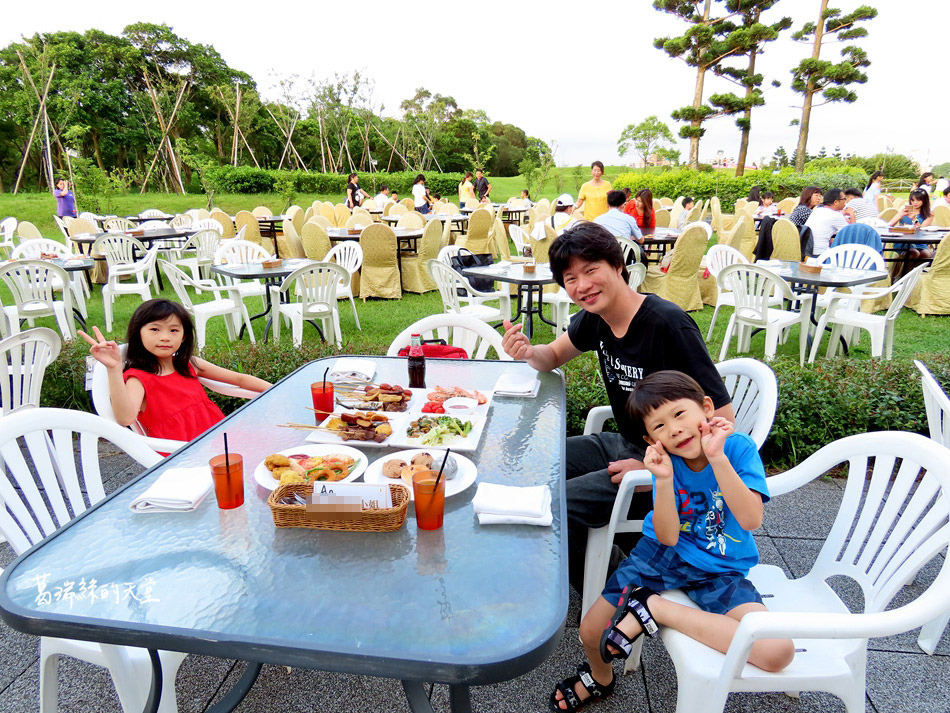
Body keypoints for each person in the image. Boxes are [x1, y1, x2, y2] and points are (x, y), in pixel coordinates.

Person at [501, 223, 734, 594]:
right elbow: (553, 356)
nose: (582, 286)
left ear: (618, 266)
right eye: (570, 278)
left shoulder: (667, 323)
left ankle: (618, 590)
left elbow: (723, 420)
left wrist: (654, 466)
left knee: (555, 505)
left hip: (664, 464)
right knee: (537, 461)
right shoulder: (596, 319)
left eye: (591, 270)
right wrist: (529, 353)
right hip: (623, 443)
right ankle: (596, 564)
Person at [548, 371, 793, 711]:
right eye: (659, 426)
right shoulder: (666, 462)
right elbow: (667, 536)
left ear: (706, 408)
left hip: (721, 570)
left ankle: (655, 608)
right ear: (650, 439)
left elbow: (751, 519)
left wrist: (717, 457)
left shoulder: (737, 448)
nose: (674, 429)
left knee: (778, 651)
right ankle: (601, 677)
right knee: (591, 632)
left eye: (679, 414)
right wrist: (662, 480)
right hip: (660, 556)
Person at [79, 299, 271, 447]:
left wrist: (279, 389)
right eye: (154, 329)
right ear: (139, 333)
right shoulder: (139, 378)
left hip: (219, 436)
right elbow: (125, 418)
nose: (164, 337)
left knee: (274, 443)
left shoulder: (187, 364)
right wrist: (113, 369)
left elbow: (239, 379)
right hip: (181, 451)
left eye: (173, 330)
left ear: (184, 335)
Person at [888, 188, 935, 261]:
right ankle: (906, 272)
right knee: (914, 253)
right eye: (913, 200)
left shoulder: (929, 214)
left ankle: (915, 271)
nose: (915, 203)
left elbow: (921, 229)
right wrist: (900, 216)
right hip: (903, 242)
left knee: (926, 254)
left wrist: (914, 219)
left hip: (919, 241)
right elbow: (889, 225)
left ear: (924, 201)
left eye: (918, 200)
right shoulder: (904, 211)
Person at [805, 188, 851, 254]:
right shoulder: (836, 215)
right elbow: (850, 233)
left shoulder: (817, 210)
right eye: (844, 199)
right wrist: (852, 214)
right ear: (836, 202)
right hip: (820, 254)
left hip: (807, 251)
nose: (845, 202)